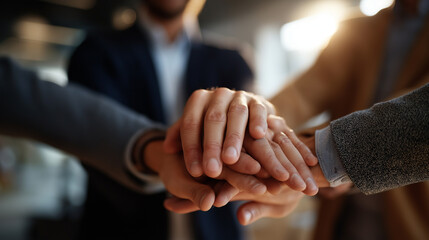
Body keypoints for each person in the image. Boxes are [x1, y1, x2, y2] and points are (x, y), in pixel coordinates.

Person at [165, 0, 429, 239]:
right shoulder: (357, 30)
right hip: (339, 225)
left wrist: (302, 155)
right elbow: (301, 95)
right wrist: (249, 120)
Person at [67, 0, 318, 239]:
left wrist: (265, 129)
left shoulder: (233, 60)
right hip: (118, 229)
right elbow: (96, 139)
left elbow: (252, 133)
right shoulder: (96, 53)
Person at [0, 57, 313, 233]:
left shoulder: (233, 60)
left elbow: (259, 121)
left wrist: (261, 123)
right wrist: (157, 154)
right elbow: (79, 128)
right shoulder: (96, 52)